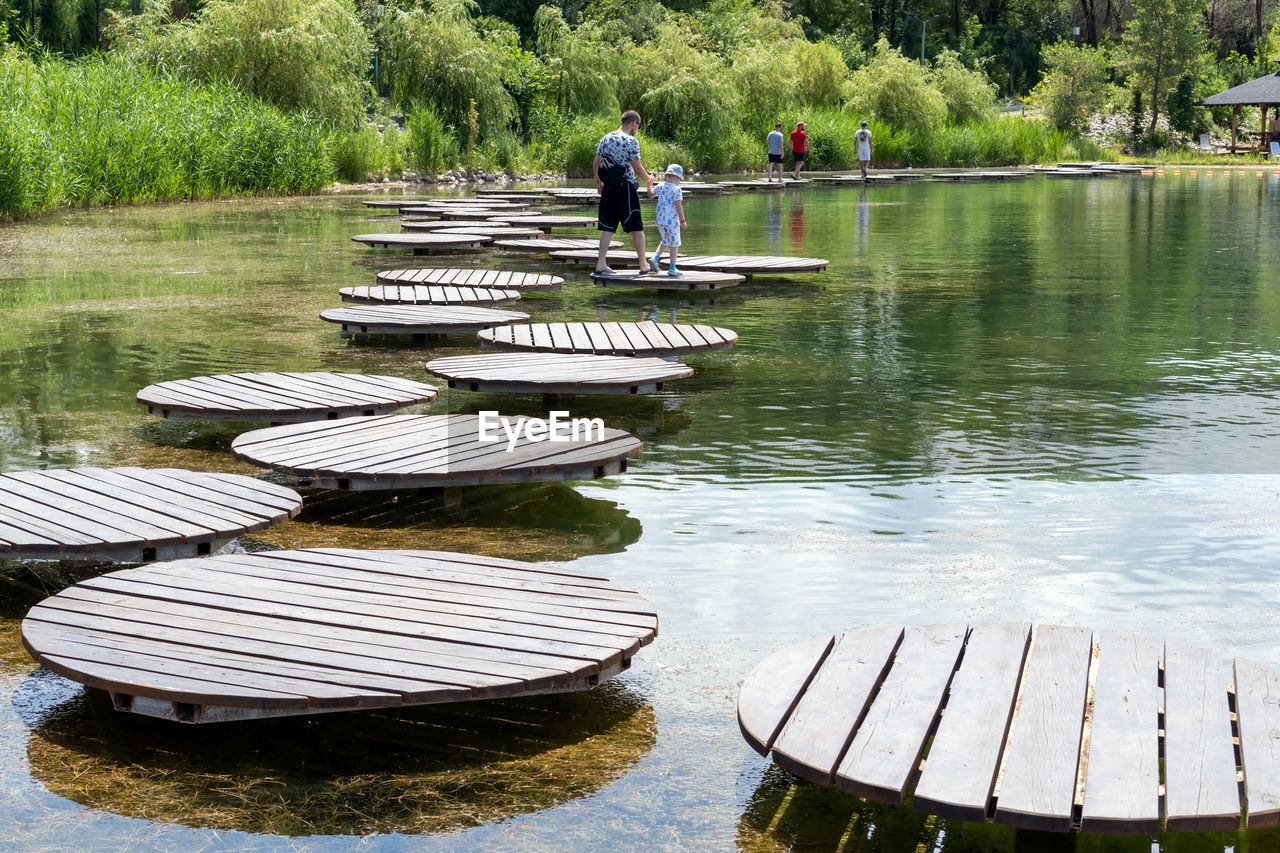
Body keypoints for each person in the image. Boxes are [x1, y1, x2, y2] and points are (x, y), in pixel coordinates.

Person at [593, 110, 654, 274]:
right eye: (638, 126)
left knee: (608, 227)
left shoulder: (606, 138)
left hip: (608, 187)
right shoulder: (631, 141)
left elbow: (596, 164)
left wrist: (599, 182)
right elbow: (637, 168)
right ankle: (643, 264)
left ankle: (601, 263)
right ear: (634, 123)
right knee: (637, 226)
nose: (637, 129)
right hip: (625, 187)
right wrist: (649, 179)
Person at [650, 163, 687, 276]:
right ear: (671, 177)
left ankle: (655, 259)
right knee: (675, 243)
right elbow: (678, 206)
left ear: (667, 176)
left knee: (665, 241)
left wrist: (649, 183)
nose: (678, 181)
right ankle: (672, 267)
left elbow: (651, 194)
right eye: (678, 178)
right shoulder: (677, 189)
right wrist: (683, 221)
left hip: (660, 220)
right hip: (672, 222)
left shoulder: (660, 186)